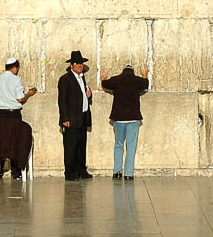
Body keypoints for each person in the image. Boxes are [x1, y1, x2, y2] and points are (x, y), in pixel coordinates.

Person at [0, 57, 37, 179]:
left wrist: (2, 98)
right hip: (14, 115)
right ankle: (17, 171)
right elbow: (20, 98)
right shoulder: (16, 80)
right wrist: (29, 94)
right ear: (15, 68)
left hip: (1, 116)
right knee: (17, 140)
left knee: (1, 140)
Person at [100, 63, 149, 180]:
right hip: (133, 119)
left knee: (118, 145)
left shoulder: (116, 80)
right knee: (131, 147)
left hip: (118, 119)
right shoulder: (137, 81)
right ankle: (128, 174)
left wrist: (103, 77)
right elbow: (145, 84)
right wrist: (144, 74)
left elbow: (105, 84)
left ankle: (117, 172)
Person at [58, 50, 93, 180]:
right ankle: (70, 172)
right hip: (71, 119)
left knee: (81, 146)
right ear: (71, 65)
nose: (80, 65)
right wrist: (65, 118)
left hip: (82, 118)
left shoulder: (82, 78)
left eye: (81, 63)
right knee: (70, 147)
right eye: (77, 63)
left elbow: (83, 95)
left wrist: (89, 95)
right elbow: (62, 100)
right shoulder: (65, 79)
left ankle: (81, 170)